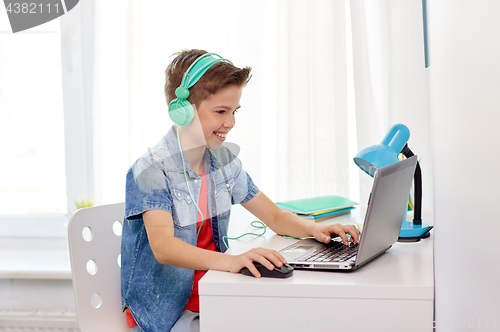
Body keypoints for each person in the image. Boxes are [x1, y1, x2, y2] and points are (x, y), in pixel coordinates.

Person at [120, 49, 359, 332]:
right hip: (168, 312)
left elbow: (275, 217)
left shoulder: (222, 163)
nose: (230, 123)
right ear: (182, 111)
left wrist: (315, 229)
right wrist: (233, 262)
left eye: (234, 112)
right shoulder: (151, 170)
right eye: (220, 112)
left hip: (215, 294)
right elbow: (164, 247)